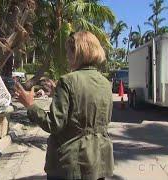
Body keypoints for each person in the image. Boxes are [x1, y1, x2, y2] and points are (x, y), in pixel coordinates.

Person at [15, 31, 114, 180]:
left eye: (68, 52)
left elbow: (54, 124)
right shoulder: (106, 83)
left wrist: (30, 105)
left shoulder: (68, 81)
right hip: (98, 162)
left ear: (78, 52)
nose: (67, 57)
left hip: (71, 163)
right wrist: (59, 94)